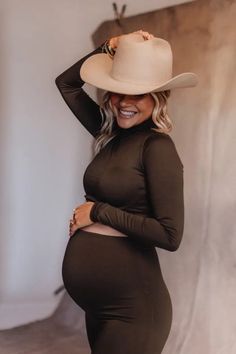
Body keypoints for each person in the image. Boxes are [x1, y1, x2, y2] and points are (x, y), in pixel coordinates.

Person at [55, 30, 198, 354]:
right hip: (102, 308)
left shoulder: (157, 147)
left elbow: (170, 234)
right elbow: (67, 84)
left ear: (159, 98)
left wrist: (97, 212)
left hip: (135, 311)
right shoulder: (111, 136)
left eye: (139, 94)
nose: (124, 103)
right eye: (118, 92)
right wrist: (109, 46)